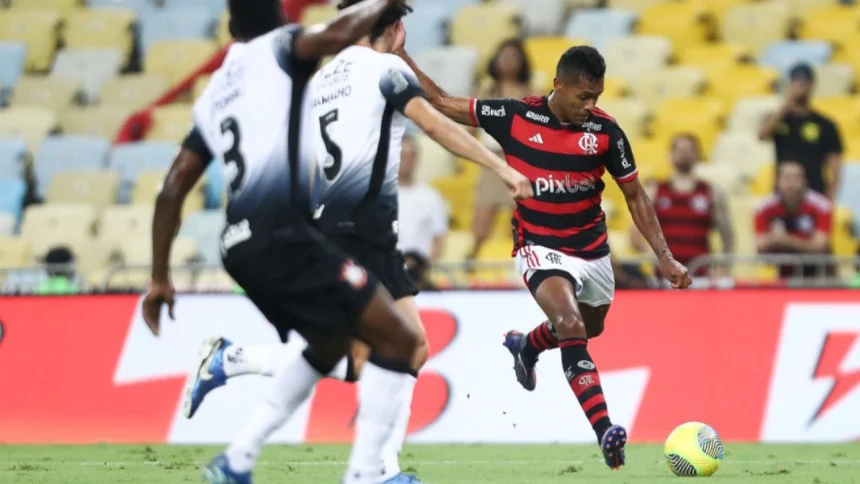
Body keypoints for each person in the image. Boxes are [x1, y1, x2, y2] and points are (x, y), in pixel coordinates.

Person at [176, 2, 532, 482]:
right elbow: (435, 124)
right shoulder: (384, 68)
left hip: (348, 227)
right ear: (396, 27)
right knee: (365, 354)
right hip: (360, 228)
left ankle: (382, 467)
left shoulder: (320, 79)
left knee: (410, 347)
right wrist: (501, 167)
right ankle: (238, 369)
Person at [140, 1, 429, 483]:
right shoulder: (280, 48)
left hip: (238, 246)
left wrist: (158, 278)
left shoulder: (214, 93)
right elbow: (339, 34)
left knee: (331, 346)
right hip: (286, 235)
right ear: (276, 17)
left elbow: (172, 188)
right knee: (401, 341)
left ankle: (237, 460)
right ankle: (366, 476)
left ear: (232, 27)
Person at [396, 44, 693, 469]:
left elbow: (635, 195)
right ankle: (605, 430)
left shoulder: (606, 132)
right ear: (559, 85)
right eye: (583, 96)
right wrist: (402, 53)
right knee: (570, 324)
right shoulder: (515, 116)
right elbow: (441, 102)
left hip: (591, 250)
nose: (591, 106)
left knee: (591, 325)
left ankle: (526, 346)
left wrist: (665, 257)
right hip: (539, 246)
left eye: (597, 97)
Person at [630, 133, 734, 277]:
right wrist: (654, 255)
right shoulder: (654, 192)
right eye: (679, 149)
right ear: (670, 155)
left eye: (689, 149)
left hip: (701, 274)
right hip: (665, 276)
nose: (684, 154)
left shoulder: (712, 193)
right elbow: (634, 234)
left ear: (698, 155)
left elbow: (727, 235)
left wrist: (722, 266)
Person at [470, 39, 533, 262]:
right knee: (481, 227)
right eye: (503, 56)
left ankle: (522, 270)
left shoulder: (530, 93)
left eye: (512, 57)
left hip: (518, 161)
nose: (507, 62)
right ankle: (468, 267)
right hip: (491, 161)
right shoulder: (485, 91)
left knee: (519, 227)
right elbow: (469, 127)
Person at [759, 63, 844, 200]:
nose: (799, 87)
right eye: (795, 82)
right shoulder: (778, 119)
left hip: (814, 193)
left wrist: (831, 195)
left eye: (804, 82)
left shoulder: (825, 124)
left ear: (812, 86)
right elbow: (762, 135)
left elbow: (835, 165)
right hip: (782, 194)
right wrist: (787, 104)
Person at [755, 161, 833, 279]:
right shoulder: (763, 207)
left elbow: (820, 245)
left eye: (796, 178)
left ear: (805, 181)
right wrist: (804, 243)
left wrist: (787, 241)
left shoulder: (821, 206)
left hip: (818, 274)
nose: (791, 184)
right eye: (786, 177)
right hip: (782, 274)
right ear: (777, 181)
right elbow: (760, 245)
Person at [396, 135, 449, 290]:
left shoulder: (431, 197)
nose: (405, 160)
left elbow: (439, 238)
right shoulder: (381, 196)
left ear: (416, 159)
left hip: (420, 276)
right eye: (401, 155)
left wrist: (422, 265)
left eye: (410, 155)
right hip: (389, 275)